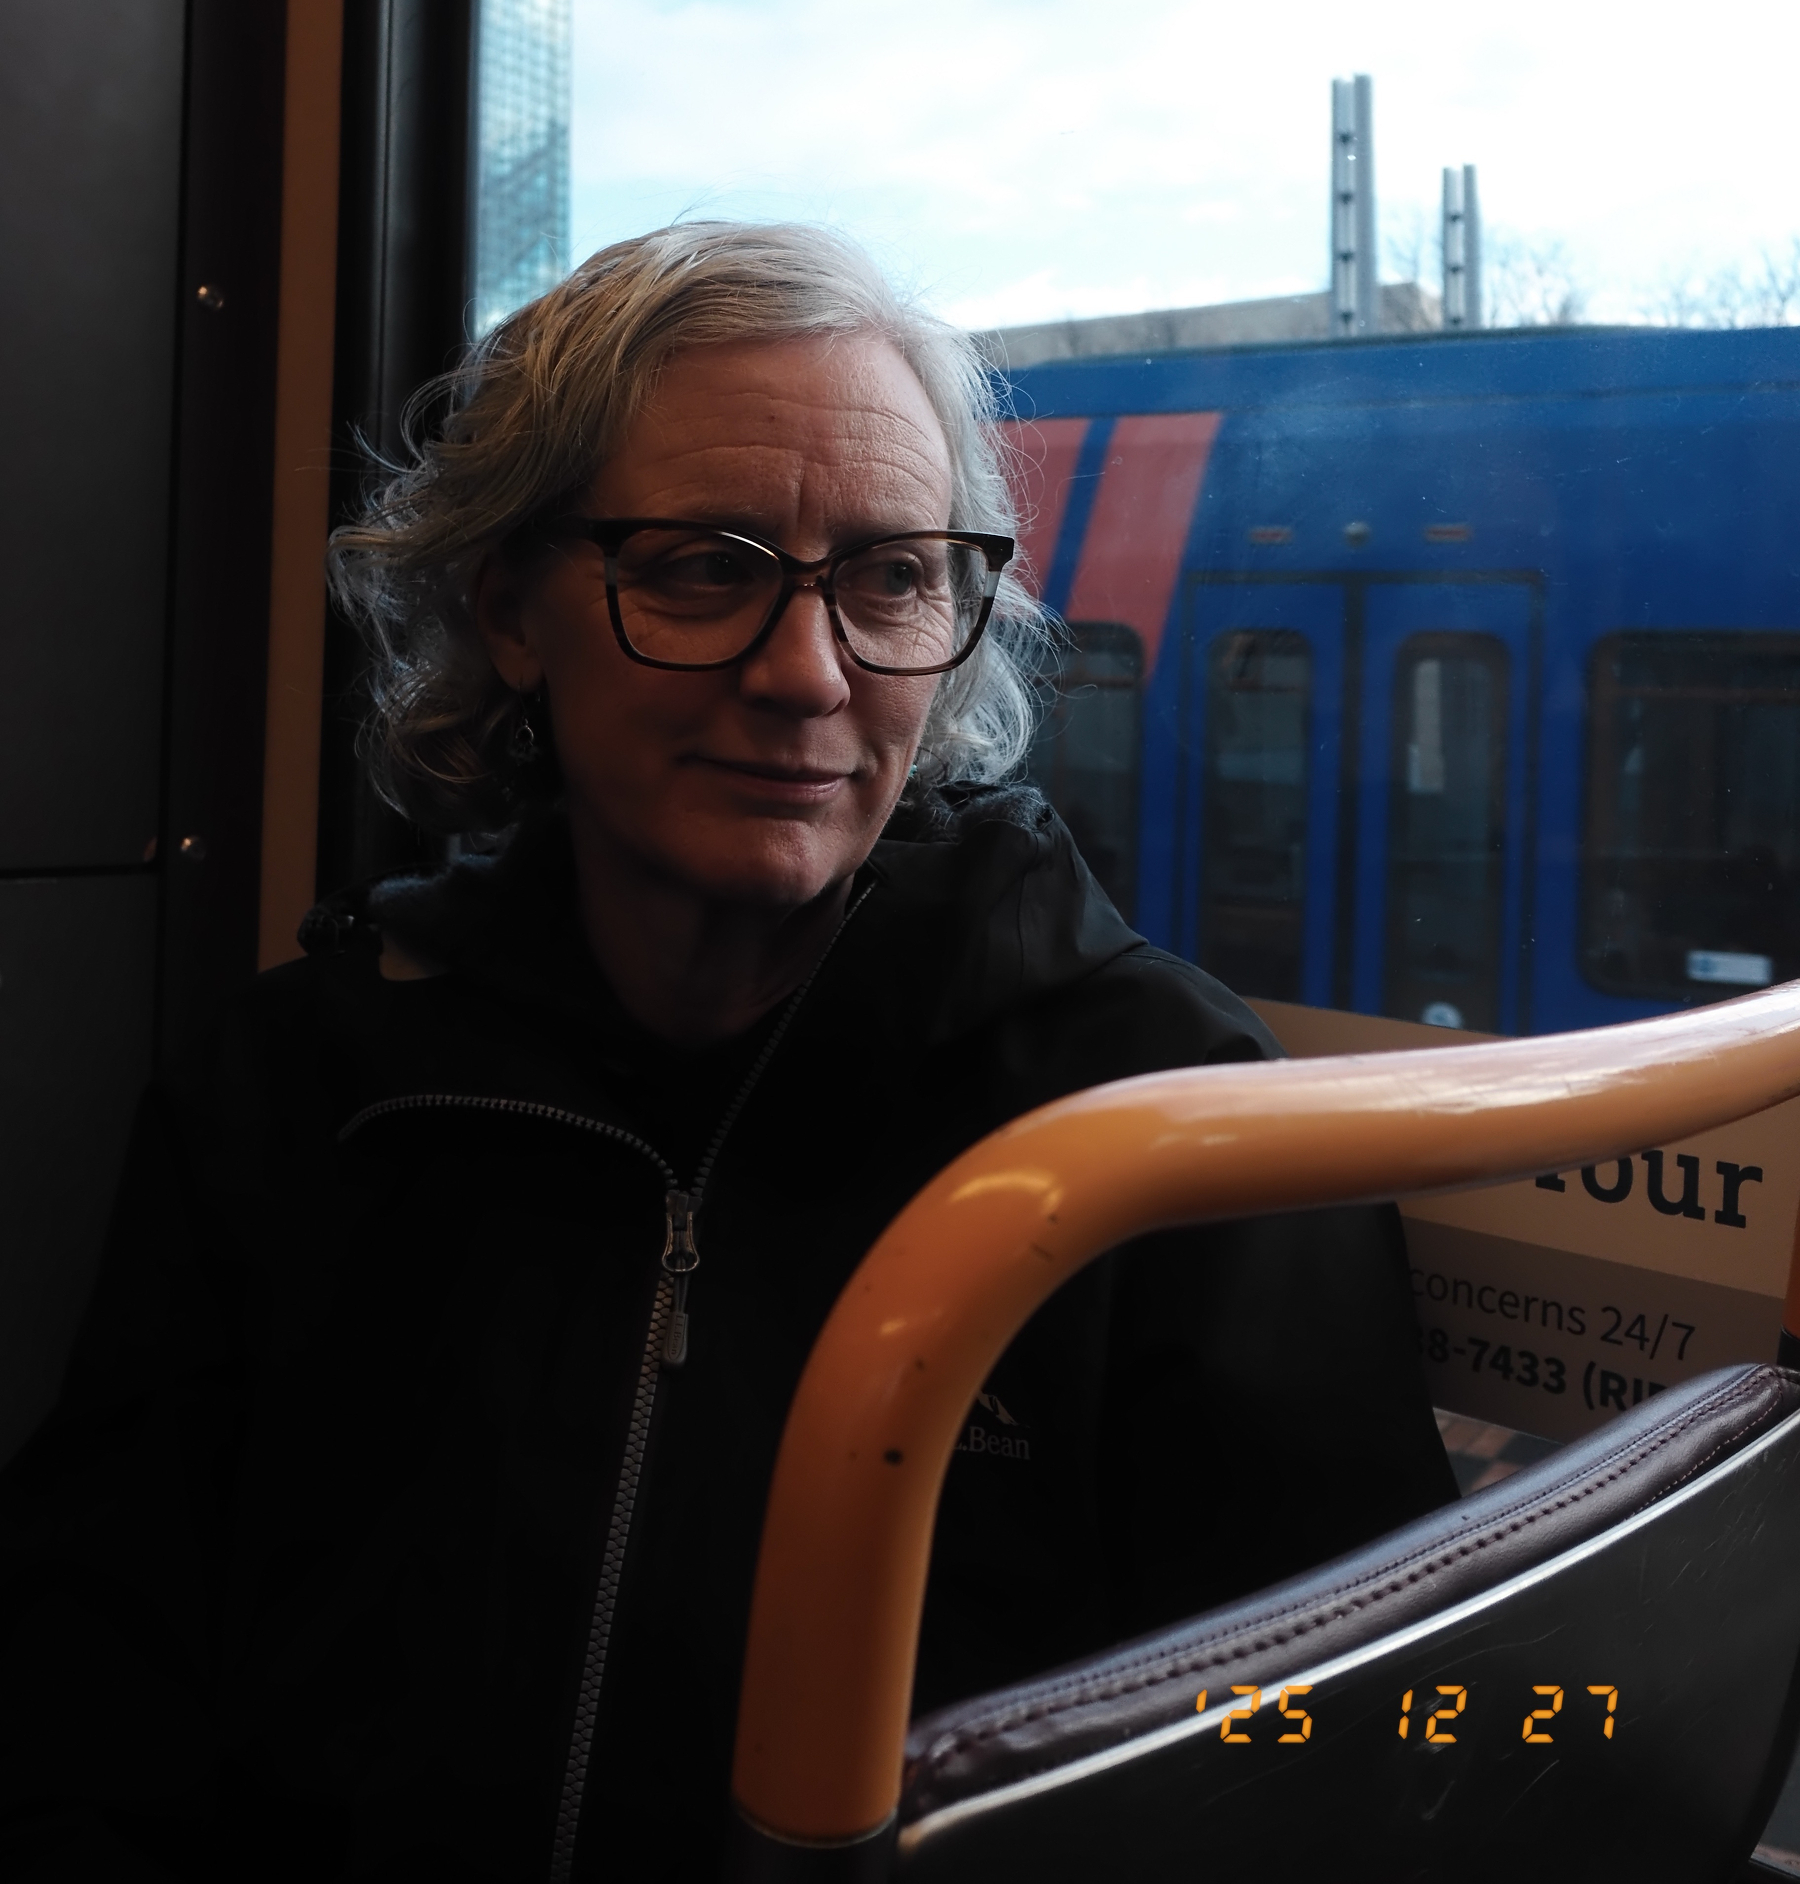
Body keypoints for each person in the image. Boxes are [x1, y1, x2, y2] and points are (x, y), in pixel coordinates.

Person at [0, 224, 1454, 1882]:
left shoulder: (1166, 1139)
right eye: (704, 567)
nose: (808, 673)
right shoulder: (304, 1090)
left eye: (894, 576)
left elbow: (1339, 1763)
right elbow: (86, 1681)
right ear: (511, 609)